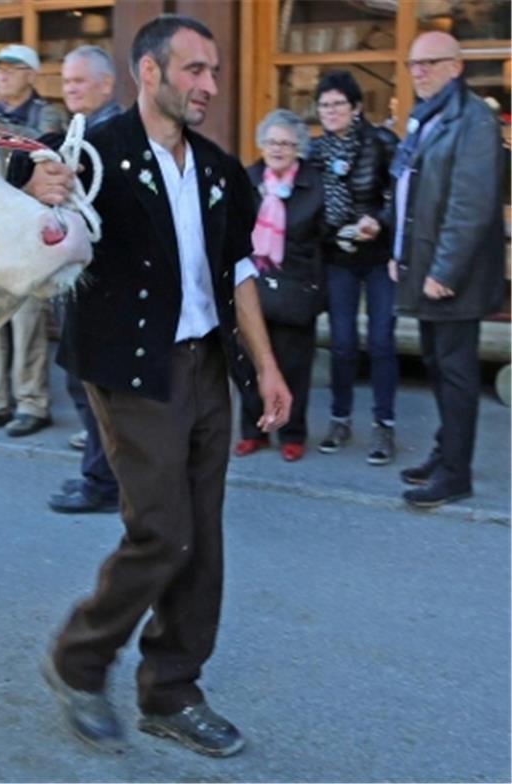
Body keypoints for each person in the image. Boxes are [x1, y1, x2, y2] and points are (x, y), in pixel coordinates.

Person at [22, 15, 291, 756]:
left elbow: (237, 270)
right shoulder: (94, 154)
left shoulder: (217, 167)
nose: (208, 85)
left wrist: (265, 366)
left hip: (207, 365)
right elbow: (30, 200)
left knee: (202, 539)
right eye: (195, 70)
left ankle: (172, 691)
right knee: (163, 531)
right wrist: (31, 182)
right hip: (132, 367)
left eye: (212, 71)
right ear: (150, 72)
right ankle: (78, 659)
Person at [388, 31, 504, 508]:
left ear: (456, 67)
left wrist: (445, 271)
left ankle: (456, 474)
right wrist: (399, 251)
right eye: (414, 64)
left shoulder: (474, 120)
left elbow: (469, 206)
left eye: (430, 63)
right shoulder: (426, 116)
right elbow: (410, 195)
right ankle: (446, 452)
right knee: (438, 366)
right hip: (425, 268)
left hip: (453, 277)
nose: (419, 72)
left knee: (454, 373)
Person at [0, 44, 65, 439]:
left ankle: (32, 404)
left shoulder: (46, 112)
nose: (2, 74)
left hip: (28, 232)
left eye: (12, 68)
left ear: (31, 75)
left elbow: (48, 146)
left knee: (27, 322)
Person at [308, 70, 399, 465]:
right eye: (324, 105)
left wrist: (378, 220)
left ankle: (384, 425)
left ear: (356, 107)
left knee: (381, 341)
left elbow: (401, 193)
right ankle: (339, 418)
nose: (330, 111)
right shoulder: (313, 152)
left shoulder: (380, 142)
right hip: (337, 256)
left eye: (337, 104)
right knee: (342, 342)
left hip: (378, 256)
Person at [46, 45, 121, 513]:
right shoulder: (76, 132)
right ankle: (98, 474)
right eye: (66, 81)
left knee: (95, 383)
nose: (69, 88)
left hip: (102, 277)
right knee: (80, 379)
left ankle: (105, 483)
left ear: (106, 84)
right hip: (76, 273)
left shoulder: (116, 136)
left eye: (79, 80)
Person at [234, 109, 326, 462]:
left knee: (293, 366)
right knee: (248, 362)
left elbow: (324, 235)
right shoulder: (248, 178)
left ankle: (292, 432)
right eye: (272, 142)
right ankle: (253, 431)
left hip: (297, 287)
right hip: (253, 285)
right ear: (262, 144)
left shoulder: (313, 183)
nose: (278, 149)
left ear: (299, 148)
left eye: (286, 143)